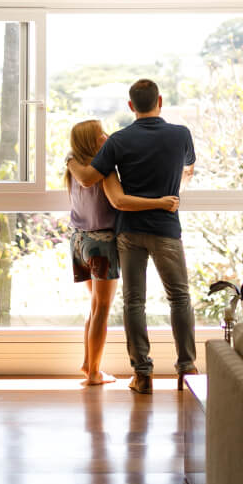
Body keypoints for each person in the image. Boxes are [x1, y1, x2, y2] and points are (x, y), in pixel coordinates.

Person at [66, 80, 196, 395]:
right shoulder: (181, 135)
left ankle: (142, 374)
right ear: (160, 101)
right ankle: (187, 369)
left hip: (128, 233)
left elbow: (89, 178)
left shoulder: (118, 141)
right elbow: (188, 169)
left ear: (130, 106)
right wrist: (170, 189)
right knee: (179, 298)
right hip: (165, 229)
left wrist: (70, 159)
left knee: (133, 302)